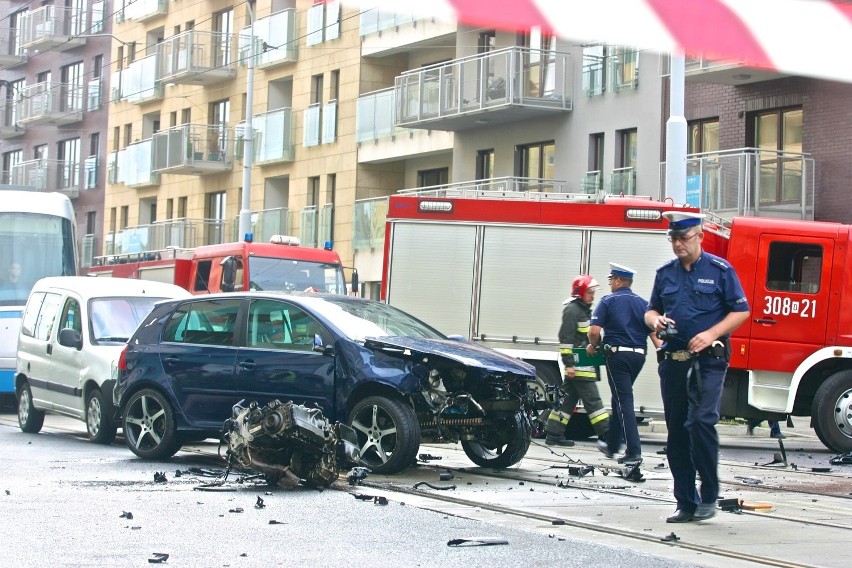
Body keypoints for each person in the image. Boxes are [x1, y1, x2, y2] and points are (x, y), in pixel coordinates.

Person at [645, 211, 750, 524]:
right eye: (673, 239)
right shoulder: (665, 274)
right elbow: (651, 310)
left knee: (701, 422)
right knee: (677, 431)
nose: (678, 244)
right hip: (674, 362)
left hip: (709, 360)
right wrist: (655, 323)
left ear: (700, 236)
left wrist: (711, 333)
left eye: (684, 238)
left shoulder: (720, 270)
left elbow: (741, 311)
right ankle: (686, 503)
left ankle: (709, 494)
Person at [587, 263, 662, 465]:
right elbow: (654, 334)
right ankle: (612, 446)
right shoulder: (643, 304)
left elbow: (594, 332)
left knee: (624, 401)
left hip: (617, 356)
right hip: (638, 356)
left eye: (611, 280)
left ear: (619, 281)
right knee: (619, 398)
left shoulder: (608, 301)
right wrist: (661, 352)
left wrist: (594, 346)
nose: (610, 283)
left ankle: (634, 451)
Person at [544, 275, 610, 448]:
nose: (592, 295)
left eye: (593, 292)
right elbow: (566, 339)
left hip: (584, 365)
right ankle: (607, 434)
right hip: (580, 366)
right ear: (580, 292)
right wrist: (569, 364)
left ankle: (553, 434)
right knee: (593, 402)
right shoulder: (572, 310)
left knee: (566, 402)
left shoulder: (583, 309)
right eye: (589, 292)